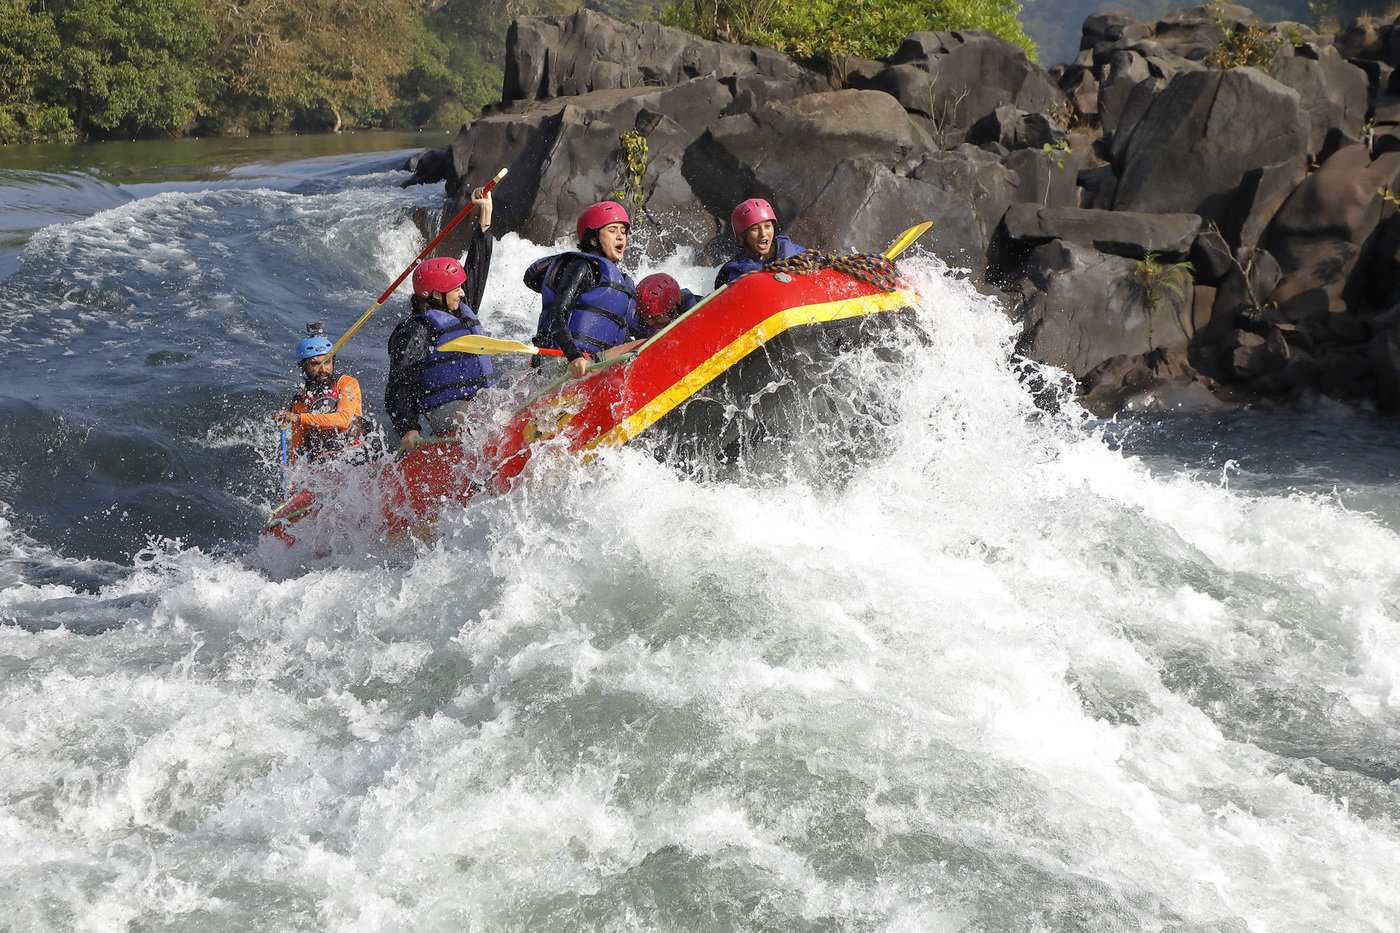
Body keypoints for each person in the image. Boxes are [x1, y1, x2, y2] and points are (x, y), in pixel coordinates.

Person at [385, 185, 495, 450]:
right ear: (435, 294)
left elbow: (478, 265)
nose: (462, 292)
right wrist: (409, 428)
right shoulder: (419, 330)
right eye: (455, 288)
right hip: (447, 411)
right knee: (492, 409)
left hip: (477, 402)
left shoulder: (461, 309)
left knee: (514, 385)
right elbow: (398, 385)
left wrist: (485, 215)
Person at [526, 200, 645, 380]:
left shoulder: (623, 282)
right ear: (592, 239)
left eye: (623, 232)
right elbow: (558, 315)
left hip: (592, 365)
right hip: (565, 364)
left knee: (643, 344)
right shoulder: (581, 266)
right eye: (612, 231)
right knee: (644, 344)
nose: (620, 237)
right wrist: (574, 356)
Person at [274, 329, 372, 463]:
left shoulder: (347, 384)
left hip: (356, 455)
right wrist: (291, 480)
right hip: (324, 462)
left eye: (327, 362)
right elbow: (297, 447)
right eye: (316, 364)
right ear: (302, 366)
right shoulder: (301, 401)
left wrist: (298, 417)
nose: (324, 370)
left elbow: (343, 419)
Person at [713, 197, 807, 289]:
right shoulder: (737, 272)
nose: (763, 234)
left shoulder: (798, 254)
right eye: (755, 229)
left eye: (767, 226)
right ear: (742, 236)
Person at [635, 272, 700, 332]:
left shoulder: (692, 308)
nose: (650, 322)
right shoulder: (639, 320)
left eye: (656, 317)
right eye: (645, 317)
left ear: (673, 309)